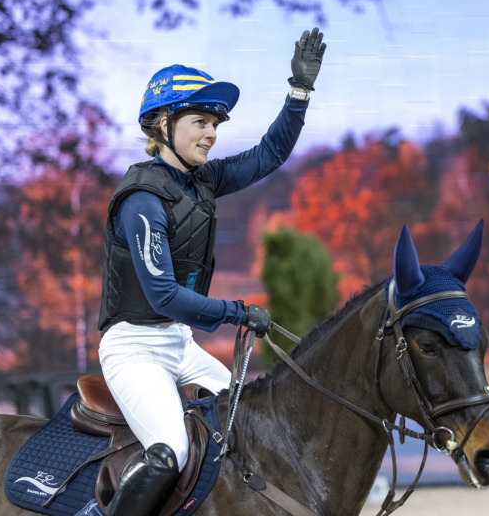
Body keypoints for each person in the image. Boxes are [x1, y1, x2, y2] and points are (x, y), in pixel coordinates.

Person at [97, 28, 327, 516]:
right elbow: (161, 295)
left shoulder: (202, 180)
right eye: (200, 120)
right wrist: (237, 311)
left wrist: (298, 94)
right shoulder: (141, 200)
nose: (212, 133)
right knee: (170, 452)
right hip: (133, 350)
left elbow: (269, 155)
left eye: (215, 124)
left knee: (249, 427)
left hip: (178, 345)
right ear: (162, 123)